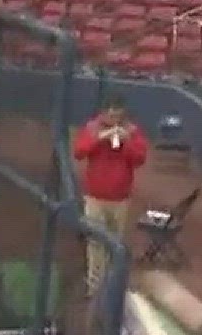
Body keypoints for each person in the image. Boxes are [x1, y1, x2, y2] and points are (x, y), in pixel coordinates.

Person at [71, 97, 149, 296]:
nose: (115, 119)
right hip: (95, 197)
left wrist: (126, 142)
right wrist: (101, 138)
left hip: (120, 199)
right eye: (111, 114)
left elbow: (139, 159)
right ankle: (94, 287)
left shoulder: (131, 130)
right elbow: (79, 152)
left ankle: (110, 287)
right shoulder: (92, 128)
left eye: (119, 114)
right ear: (104, 113)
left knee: (116, 244)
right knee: (95, 243)